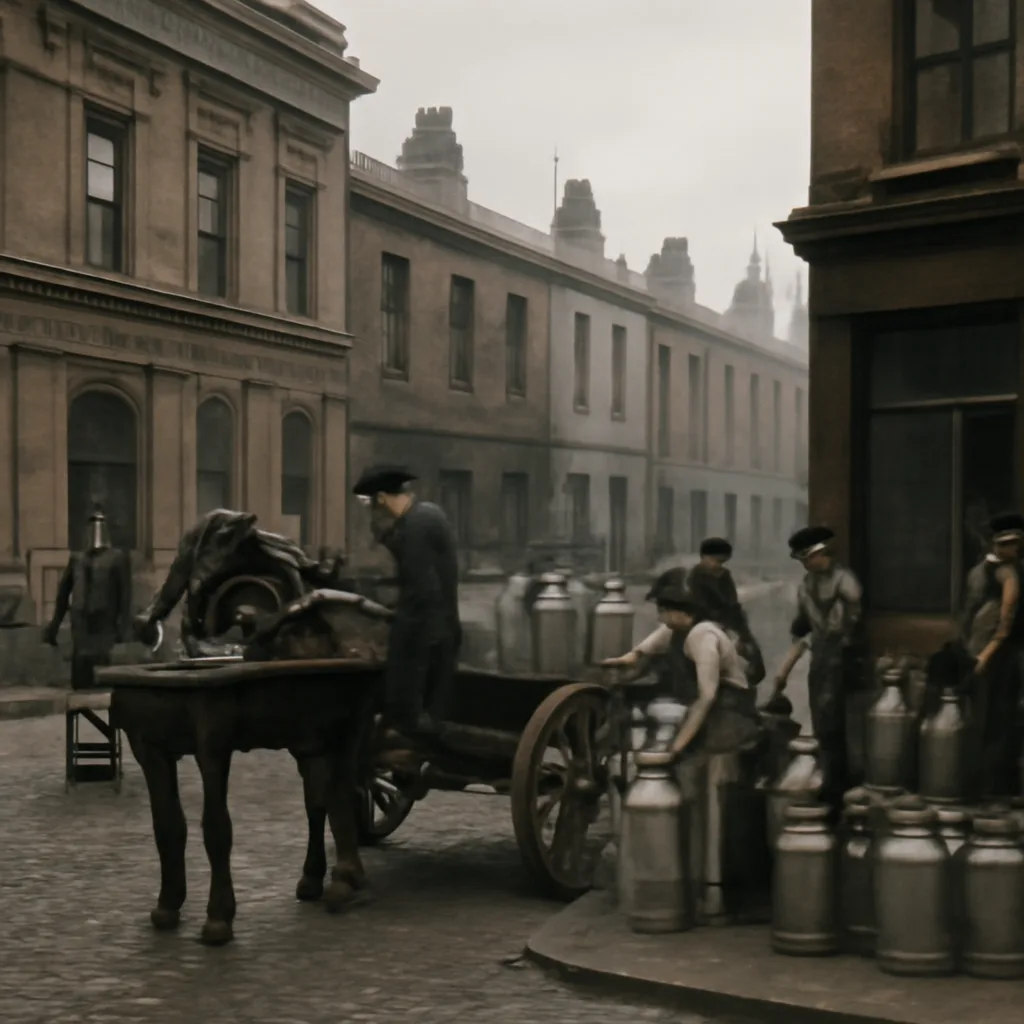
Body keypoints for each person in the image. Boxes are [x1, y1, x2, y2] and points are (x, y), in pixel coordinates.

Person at [352, 465, 461, 737]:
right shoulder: (424, 515)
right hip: (440, 628)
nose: (370, 511)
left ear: (380, 498)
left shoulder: (417, 524)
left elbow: (421, 590)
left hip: (428, 637)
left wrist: (393, 627)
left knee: (400, 707)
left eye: (368, 503)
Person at [775, 525, 866, 809]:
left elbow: (853, 622)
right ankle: (829, 782)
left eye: (807, 558)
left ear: (820, 554)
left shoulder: (844, 581)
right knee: (822, 722)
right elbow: (803, 627)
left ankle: (842, 786)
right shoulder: (807, 584)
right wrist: (785, 668)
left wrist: (842, 649)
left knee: (839, 724)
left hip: (842, 659)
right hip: (821, 660)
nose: (804, 564)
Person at [961, 512, 1024, 799]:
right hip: (999, 653)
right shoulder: (1005, 573)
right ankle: (993, 788)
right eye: (1011, 543)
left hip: (991, 651)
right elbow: (1004, 620)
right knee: (997, 720)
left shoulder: (987, 571)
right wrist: (985, 653)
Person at [42, 505, 132, 690]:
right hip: (81, 616)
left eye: (99, 523)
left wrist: (123, 625)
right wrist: (55, 625)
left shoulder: (117, 558)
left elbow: (124, 594)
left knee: (101, 665)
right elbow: (63, 594)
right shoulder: (77, 559)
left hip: (105, 616)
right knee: (82, 664)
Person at [687, 537, 765, 686]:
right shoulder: (694, 578)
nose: (718, 566)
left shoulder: (724, 575)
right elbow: (696, 606)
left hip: (729, 624)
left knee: (753, 659)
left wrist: (744, 635)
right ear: (703, 557)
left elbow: (733, 605)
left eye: (722, 562)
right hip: (704, 628)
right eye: (715, 561)